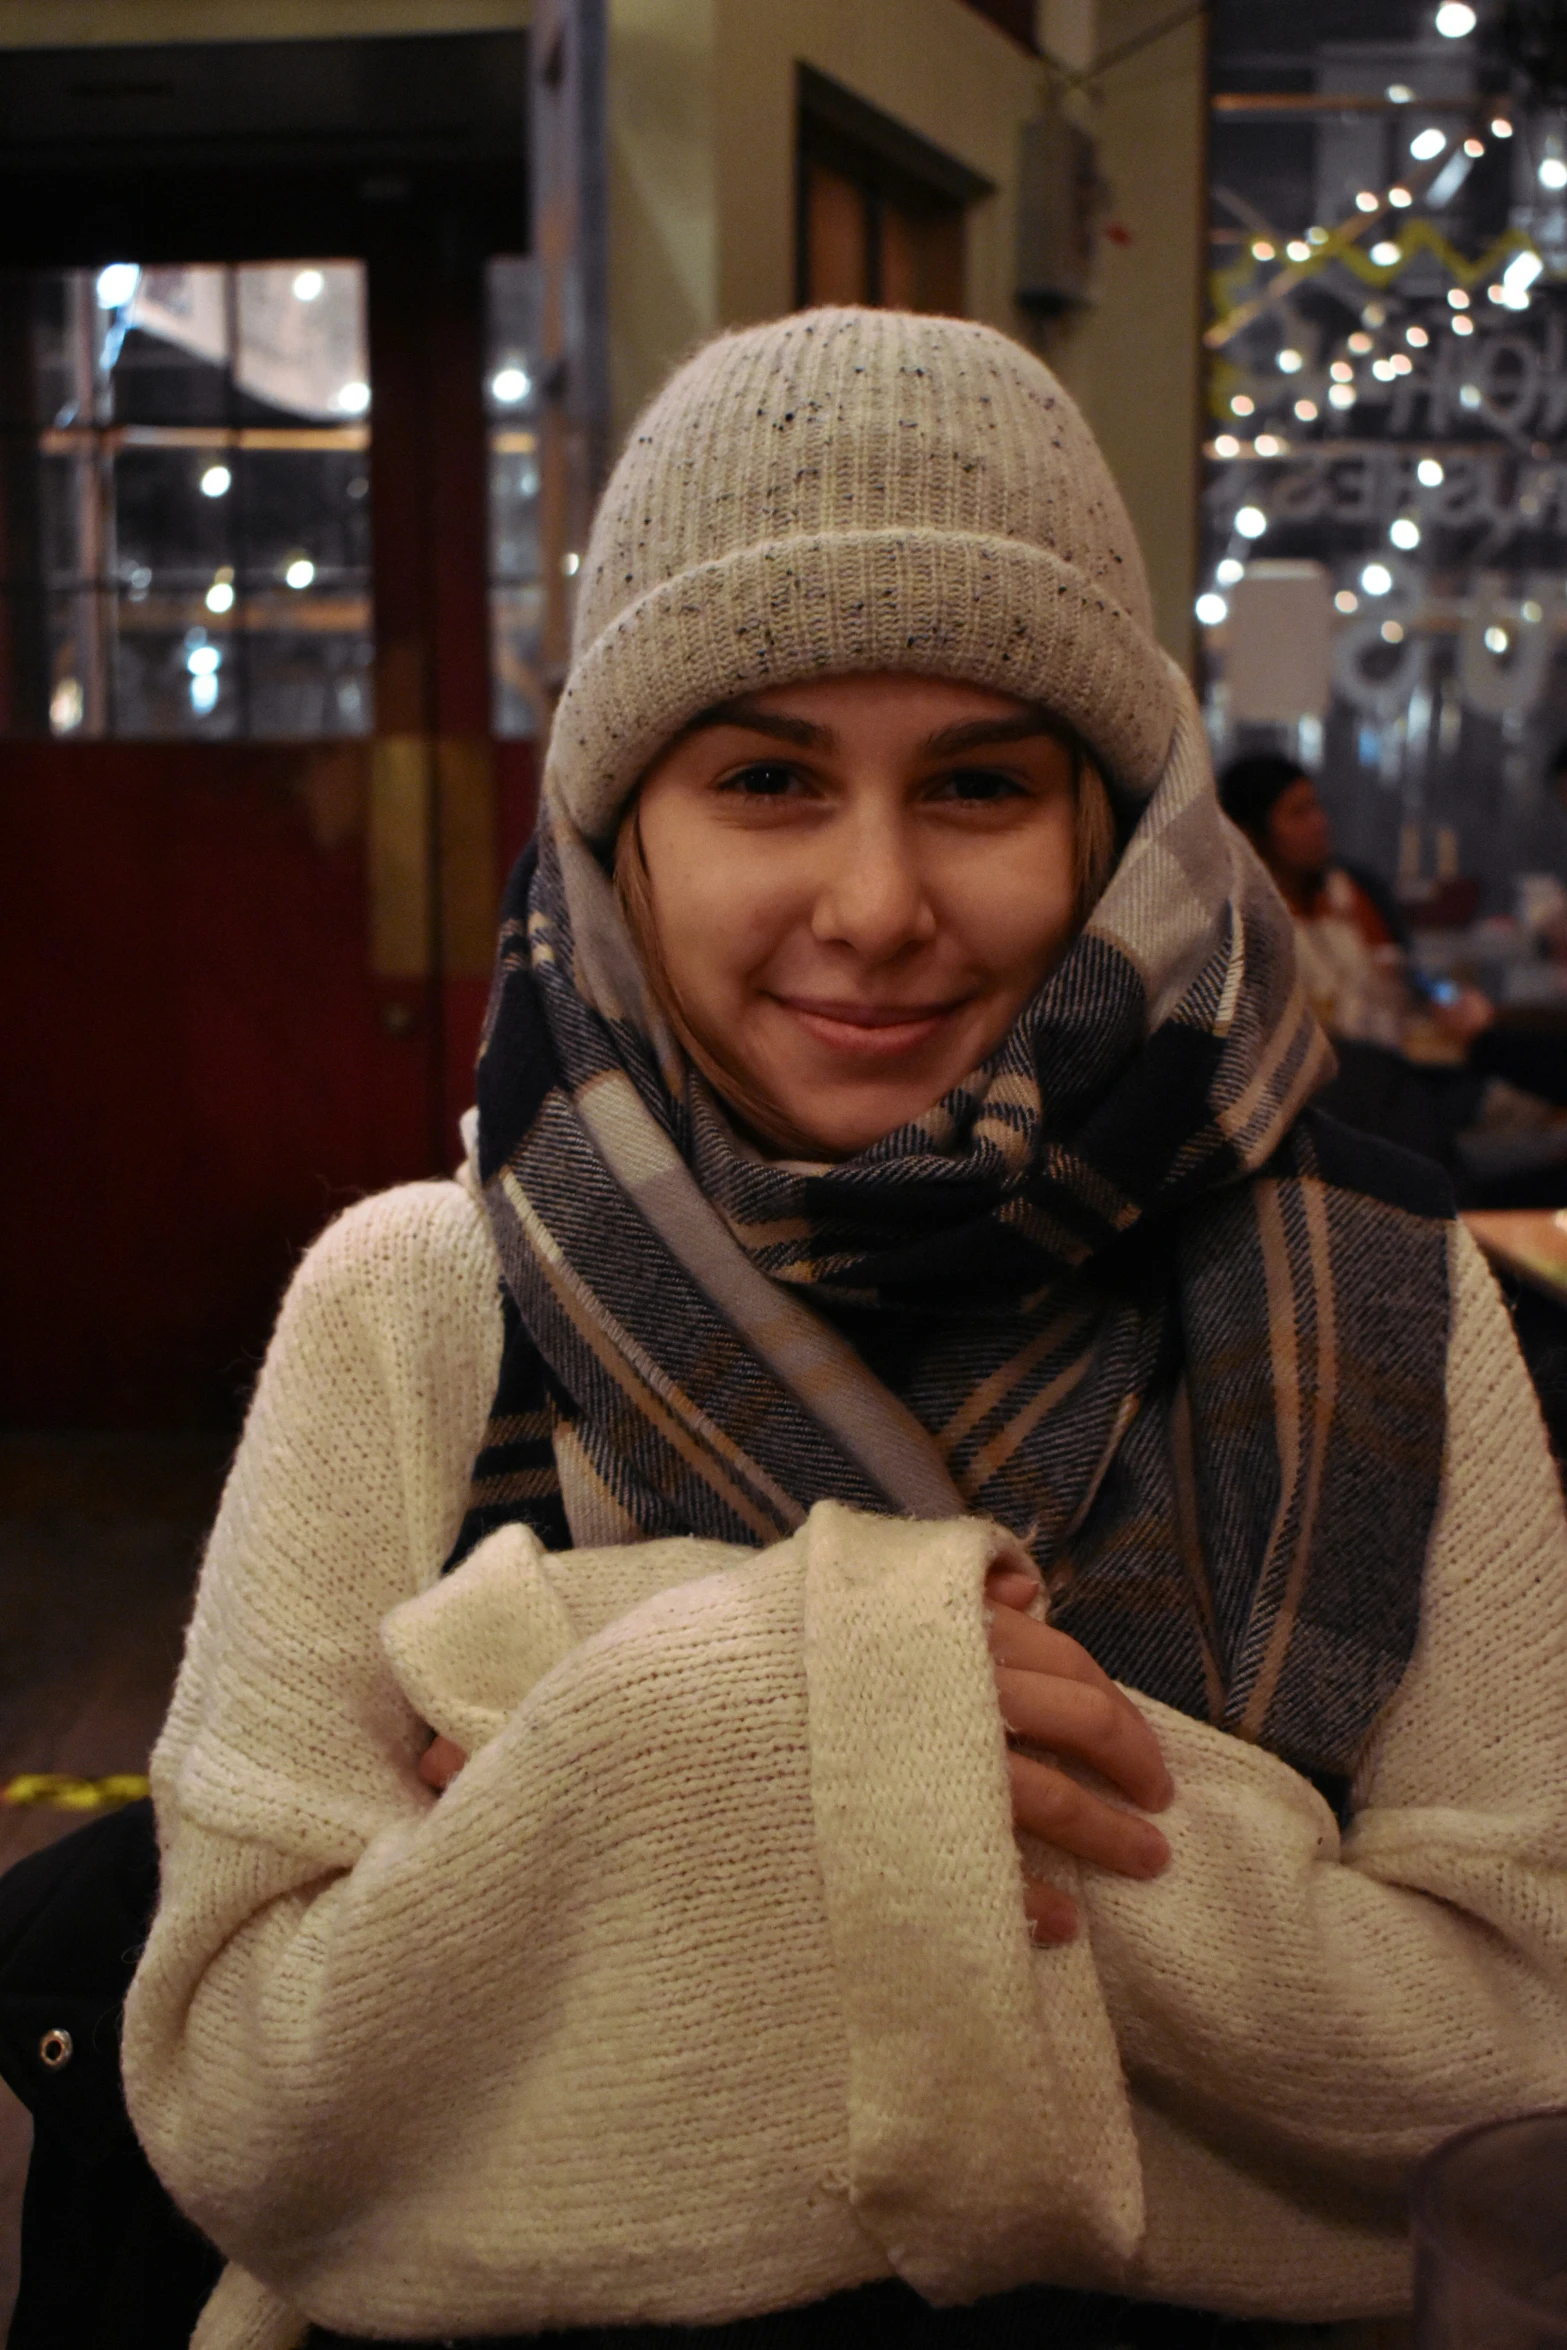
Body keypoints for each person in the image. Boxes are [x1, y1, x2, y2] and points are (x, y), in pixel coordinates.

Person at [122, 310, 1567, 2350]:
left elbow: (1519, 2057)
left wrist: (631, 1755)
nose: (876, 902)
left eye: (977, 782)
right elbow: (242, 2102)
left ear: (1112, 826)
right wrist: (770, 1720)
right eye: (769, 778)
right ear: (624, 831)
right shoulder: (416, 1300)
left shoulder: (1387, 1305)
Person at [1218, 752, 1492, 1173]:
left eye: (1318, 807)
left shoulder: (1352, 889)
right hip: (1308, 1083)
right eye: (1298, 813)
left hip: (1394, 1063)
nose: (1320, 823)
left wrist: (1453, 995)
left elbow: (1413, 974)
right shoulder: (1234, 912)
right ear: (1250, 831)